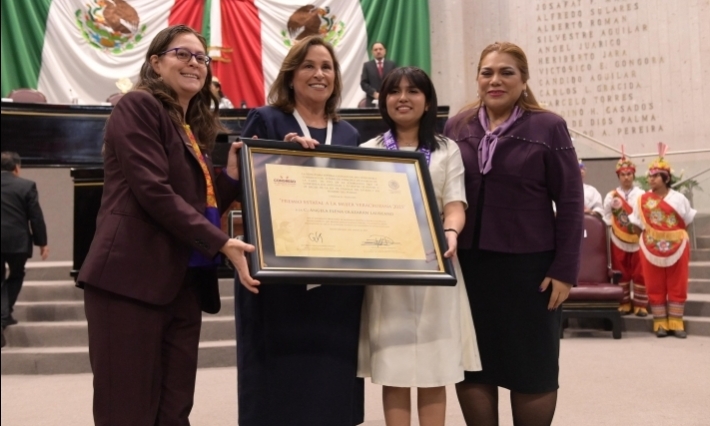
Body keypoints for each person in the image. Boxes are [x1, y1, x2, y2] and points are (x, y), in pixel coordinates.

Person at [76, 25, 256, 425]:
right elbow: (152, 192)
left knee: (174, 411)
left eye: (201, 57)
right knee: (128, 410)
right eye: (182, 53)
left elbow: (198, 204)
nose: (194, 62)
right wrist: (221, 242)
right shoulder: (137, 106)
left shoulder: (189, 127)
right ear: (155, 63)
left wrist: (227, 177)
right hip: (130, 280)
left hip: (183, 283)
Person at [443, 41, 583, 426]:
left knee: (532, 366)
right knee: (475, 365)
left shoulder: (548, 126)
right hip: (470, 267)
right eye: (487, 72)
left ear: (524, 80)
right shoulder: (458, 125)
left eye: (507, 72)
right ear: (477, 78)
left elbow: (571, 200)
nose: (496, 80)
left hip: (531, 271)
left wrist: (565, 269)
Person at [235, 35, 365, 425]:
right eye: (308, 65)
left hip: (337, 278)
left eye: (326, 66)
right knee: (278, 381)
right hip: (280, 276)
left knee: (332, 380)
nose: (319, 73)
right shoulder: (267, 119)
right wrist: (282, 156)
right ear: (292, 75)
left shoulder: (349, 135)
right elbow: (245, 186)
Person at [357, 66, 481, 426]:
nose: (403, 98)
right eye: (394, 91)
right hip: (388, 270)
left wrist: (452, 233)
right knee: (393, 367)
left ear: (427, 102)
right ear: (383, 101)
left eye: (413, 91)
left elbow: (455, 205)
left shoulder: (446, 150)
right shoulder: (370, 150)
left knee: (433, 367)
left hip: (436, 264)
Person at [630, 143, 696, 338]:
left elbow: (687, 222)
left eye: (655, 176)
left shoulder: (679, 198)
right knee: (654, 282)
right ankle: (660, 322)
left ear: (665, 178)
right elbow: (635, 224)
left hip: (678, 245)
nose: (650, 179)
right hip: (650, 246)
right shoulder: (642, 200)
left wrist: (675, 237)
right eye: (649, 176)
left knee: (678, 282)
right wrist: (647, 239)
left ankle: (676, 322)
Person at [1, 151, 49, 348]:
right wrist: (42, 243)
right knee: (17, 274)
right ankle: (4, 315)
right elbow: (35, 217)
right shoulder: (26, 185)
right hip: (17, 242)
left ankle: (3, 314)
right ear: (17, 168)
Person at [602, 149, 647, 316]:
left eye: (629, 174)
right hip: (618, 239)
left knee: (639, 271)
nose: (626, 177)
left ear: (633, 175)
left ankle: (641, 304)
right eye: (623, 174)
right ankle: (624, 302)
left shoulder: (642, 194)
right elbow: (606, 215)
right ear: (618, 177)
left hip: (637, 238)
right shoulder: (611, 196)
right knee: (621, 271)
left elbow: (643, 215)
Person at [360, 41, 397, 107]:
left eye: (380, 49)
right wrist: (374, 93)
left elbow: (395, 81)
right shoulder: (367, 66)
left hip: (389, 100)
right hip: (372, 101)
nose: (378, 51)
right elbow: (363, 83)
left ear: (385, 51)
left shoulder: (391, 65)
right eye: (375, 50)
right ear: (372, 52)